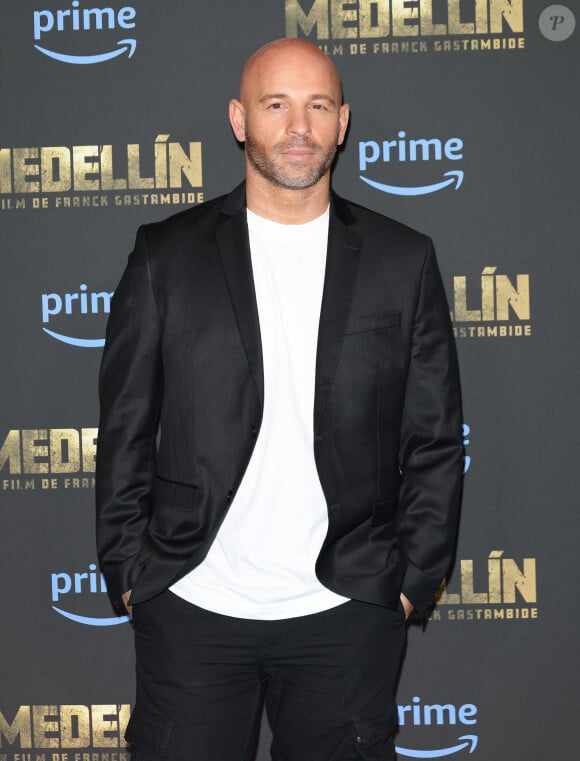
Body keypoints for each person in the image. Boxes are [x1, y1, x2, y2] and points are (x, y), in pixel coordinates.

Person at [96, 38, 463, 761]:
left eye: (317, 106)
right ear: (240, 119)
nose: (299, 128)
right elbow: (126, 427)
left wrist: (412, 581)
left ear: (343, 121)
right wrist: (130, 570)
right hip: (193, 601)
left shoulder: (402, 258)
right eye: (277, 105)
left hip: (347, 608)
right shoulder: (166, 255)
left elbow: (435, 438)